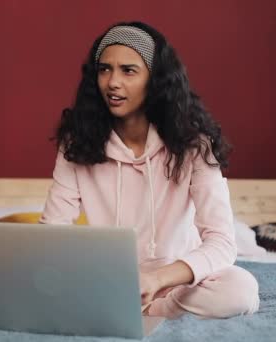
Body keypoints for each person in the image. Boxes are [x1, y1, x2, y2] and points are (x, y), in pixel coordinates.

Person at [40, 21, 259, 319]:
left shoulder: (194, 145)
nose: (112, 82)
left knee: (239, 289)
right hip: (106, 282)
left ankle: (150, 312)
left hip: (177, 282)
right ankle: (130, 310)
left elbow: (221, 242)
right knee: (34, 283)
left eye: (128, 71)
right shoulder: (76, 143)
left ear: (155, 80)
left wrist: (157, 280)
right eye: (104, 69)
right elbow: (53, 233)